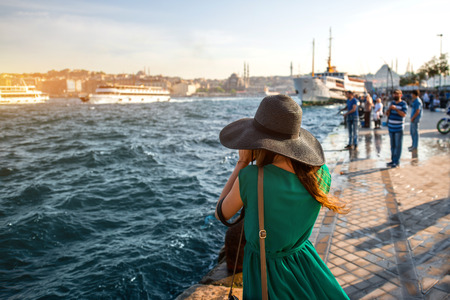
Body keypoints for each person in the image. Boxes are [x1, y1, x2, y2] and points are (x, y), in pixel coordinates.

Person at [216, 95, 349, 299]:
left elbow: (222, 213)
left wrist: (242, 163)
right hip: (304, 262)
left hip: (265, 271)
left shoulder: (252, 178)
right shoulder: (320, 173)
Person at [386, 90, 408, 168]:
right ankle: (393, 160)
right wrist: (389, 109)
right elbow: (387, 114)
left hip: (398, 128)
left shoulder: (403, 104)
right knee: (392, 145)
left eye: (397, 94)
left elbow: (403, 114)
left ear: (400, 95)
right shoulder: (391, 103)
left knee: (398, 145)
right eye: (394, 94)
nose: (395, 95)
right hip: (391, 127)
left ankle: (397, 161)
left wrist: (396, 109)